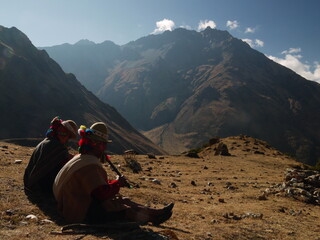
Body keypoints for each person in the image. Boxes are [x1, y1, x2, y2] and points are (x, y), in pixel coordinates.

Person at [53, 122, 174, 224]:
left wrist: (113, 183)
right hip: (77, 211)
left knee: (124, 200)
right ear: (97, 144)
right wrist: (117, 183)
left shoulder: (81, 157)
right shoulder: (91, 165)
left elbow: (93, 186)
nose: (104, 148)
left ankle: (157, 213)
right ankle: (153, 218)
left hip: (70, 203)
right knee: (125, 211)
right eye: (104, 144)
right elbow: (101, 195)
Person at [24, 116, 78, 199]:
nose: (66, 138)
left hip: (29, 181)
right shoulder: (57, 147)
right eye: (63, 134)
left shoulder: (48, 141)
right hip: (38, 186)